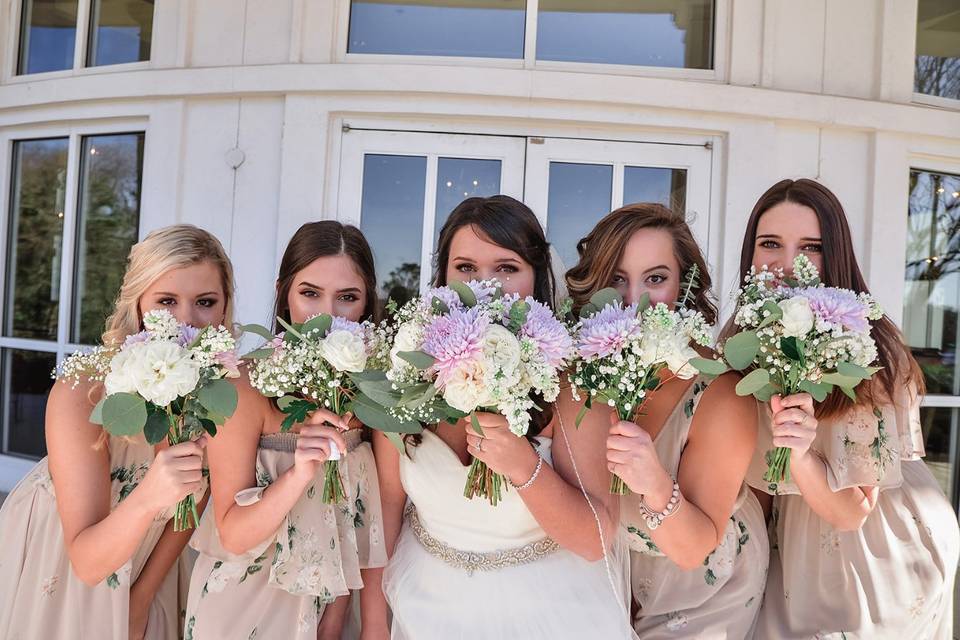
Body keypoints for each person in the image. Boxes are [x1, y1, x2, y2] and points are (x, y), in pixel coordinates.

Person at [0, 224, 233, 640]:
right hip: (66, 565)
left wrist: (141, 599)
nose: (186, 321)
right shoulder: (84, 391)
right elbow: (87, 563)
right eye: (166, 301)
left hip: (149, 568)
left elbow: (192, 503)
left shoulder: (219, 388)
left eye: (205, 302)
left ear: (225, 306)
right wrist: (149, 494)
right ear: (138, 304)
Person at [184, 221, 387, 640]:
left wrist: (351, 621)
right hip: (245, 608)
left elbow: (360, 522)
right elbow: (233, 533)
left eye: (347, 297)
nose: (326, 316)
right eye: (310, 293)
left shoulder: (373, 395)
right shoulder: (242, 386)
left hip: (334, 610)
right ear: (284, 293)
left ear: (367, 304)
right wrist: (298, 474)